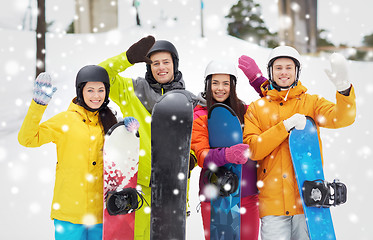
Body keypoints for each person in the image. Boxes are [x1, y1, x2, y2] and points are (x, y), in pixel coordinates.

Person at [242, 46, 356, 239]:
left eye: (289, 67)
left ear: (297, 71)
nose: (284, 72)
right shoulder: (256, 108)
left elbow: (343, 118)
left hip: (306, 202)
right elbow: (253, 150)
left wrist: (344, 91)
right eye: (278, 68)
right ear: (270, 72)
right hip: (273, 205)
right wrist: (284, 127)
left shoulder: (311, 103)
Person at [98, 36, 197, 239]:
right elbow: (99, 75)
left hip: (173, 190)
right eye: (155, 63)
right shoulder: (132, 91)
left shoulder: (188, 101)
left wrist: (192, 156)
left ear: (175, 64)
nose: (161, 67)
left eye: (166, 62)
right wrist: (127, 58)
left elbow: (196, 139)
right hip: (139, 189)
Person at [18, 65, 118, 240]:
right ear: (81, 92)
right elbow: (27, 139)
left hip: (101, 214)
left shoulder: (110, 121)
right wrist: (37, 106)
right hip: (69, 214)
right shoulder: (65, 120)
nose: (96, 96)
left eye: (101, 90)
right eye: (91, 90)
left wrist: (128, 131)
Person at [191, 58, 266, 240]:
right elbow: (201, 155)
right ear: (207, 84)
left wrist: (258, 81)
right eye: (215, 83)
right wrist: (226, 155)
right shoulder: (200, 115)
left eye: (226, 83)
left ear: (233, 86)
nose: (220, 88)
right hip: (215, 195)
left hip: (247, 194)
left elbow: (274, 105)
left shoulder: (246, 112)